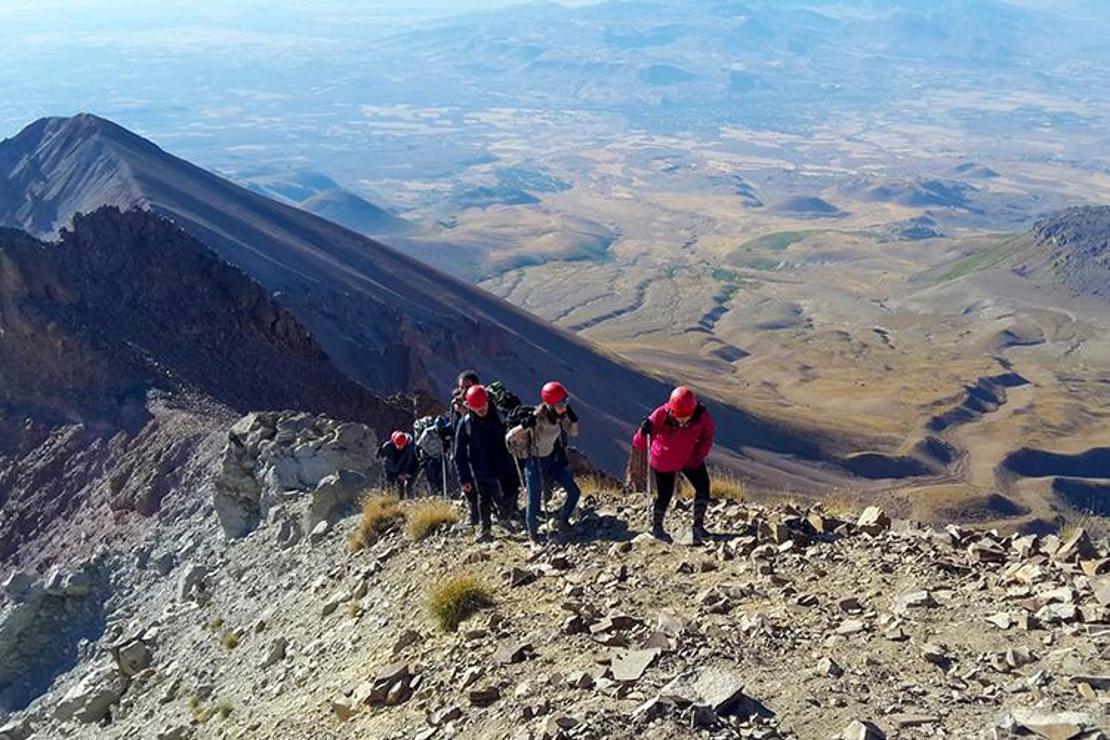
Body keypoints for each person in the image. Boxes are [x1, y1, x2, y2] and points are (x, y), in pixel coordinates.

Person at [631, 386, 716, 544]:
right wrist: (644, 431)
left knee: (703, 487)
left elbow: (708, 434)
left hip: (689, 457)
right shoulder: (660, 414)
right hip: (665, 459)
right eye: (679, 416)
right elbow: (639, 443)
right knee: (665, 494)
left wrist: (698, 456)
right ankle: (657, 528)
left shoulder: (701, 415)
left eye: (686, 416)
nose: (682, 420)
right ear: (672, 410)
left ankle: (698, 526)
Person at [508, 381, 582, 544]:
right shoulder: (537, 418)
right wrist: (524, 426)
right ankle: (533, 536)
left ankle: (563, 520)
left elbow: (574, 432)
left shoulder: (559, 416)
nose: (565, 405)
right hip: (535, 462)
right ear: (551, 403)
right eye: (562, 402)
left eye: (566, 401)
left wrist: (572, 417)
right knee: (533, 501)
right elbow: (510, 437)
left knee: (574, 491)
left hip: (552, 460)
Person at [453, 385, 522, 541]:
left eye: (483, 405)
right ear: (469, 406)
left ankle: (503, 516)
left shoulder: (500, 416)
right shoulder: (466, 424)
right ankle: (485, 529)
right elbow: (459, 454)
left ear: (488, 401)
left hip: (504, 461)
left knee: (511, 490)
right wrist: (464, 478)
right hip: (481, 466)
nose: (481, 409)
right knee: (484, 497)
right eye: (477, 407)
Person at [377, 430, 419, 499]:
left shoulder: (408, 449)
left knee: (401, 485)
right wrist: (397, 474)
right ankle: (388, 500)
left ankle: (401, 500)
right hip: (390, 470)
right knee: (390, 485)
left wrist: (403, 473)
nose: (400, 447)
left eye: (402, 445)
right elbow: (385, 461)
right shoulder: (388, 447)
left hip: (401, 470)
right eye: (398, 445)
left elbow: (408, 462)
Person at [414, 415, 449, 496]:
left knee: (443, 477)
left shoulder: (445, 432)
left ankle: (443, 494)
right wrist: (420, 459)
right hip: (429, 457)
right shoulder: (428, 432)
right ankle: (434, 495)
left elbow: (448, 443)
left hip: (440, 456)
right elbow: (418, 446)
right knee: (432, 478)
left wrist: (446, 447)